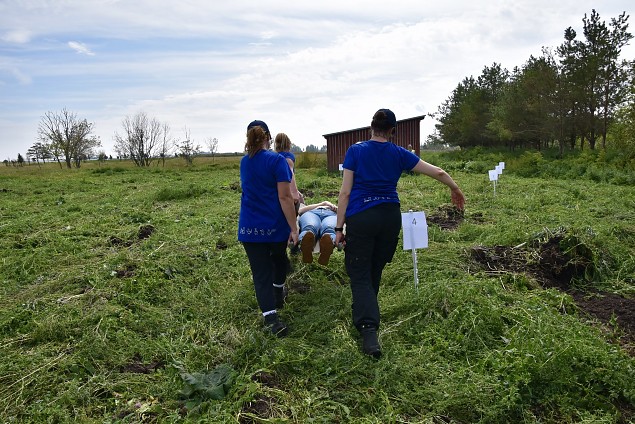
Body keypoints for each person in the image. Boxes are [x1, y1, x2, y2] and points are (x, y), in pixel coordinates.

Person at [334, 109, 465, 358]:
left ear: (371, 127)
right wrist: (455, 189)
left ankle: (369, 330)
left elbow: (345, 193)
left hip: (362, 217)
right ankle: (364, 309)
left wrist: (339, 228)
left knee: (359, 273)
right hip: (390, 217)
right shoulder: (398, 153)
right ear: (392, 131)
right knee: (374, 269)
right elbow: (437, 171)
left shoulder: (356, 151)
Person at [238, 120, 299, 337]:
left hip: (249, 228)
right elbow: (285, 197)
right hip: (274, 226)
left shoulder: (244, 162)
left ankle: (271, 318)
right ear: (268, 137)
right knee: (279, 259)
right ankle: (277, 292)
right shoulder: (277, 161)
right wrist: (294, 228)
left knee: (260, 272)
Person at [297, 200, 337, 265]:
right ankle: (306, 245)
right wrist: (323, 203)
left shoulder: (334, 210)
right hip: (312, 213)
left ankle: (327, 246)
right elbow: (300, 211)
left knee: (329, 228)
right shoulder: (315, 207)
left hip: (332, 215)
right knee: (310, 226)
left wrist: (336, 209)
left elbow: (345, 213)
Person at [274, 133, 303, 207]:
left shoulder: (274, 157)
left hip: (277, 188)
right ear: (288, 143)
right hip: (286, 188)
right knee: (300, 201)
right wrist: (294, 192)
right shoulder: (288, 157)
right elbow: (290, 173)